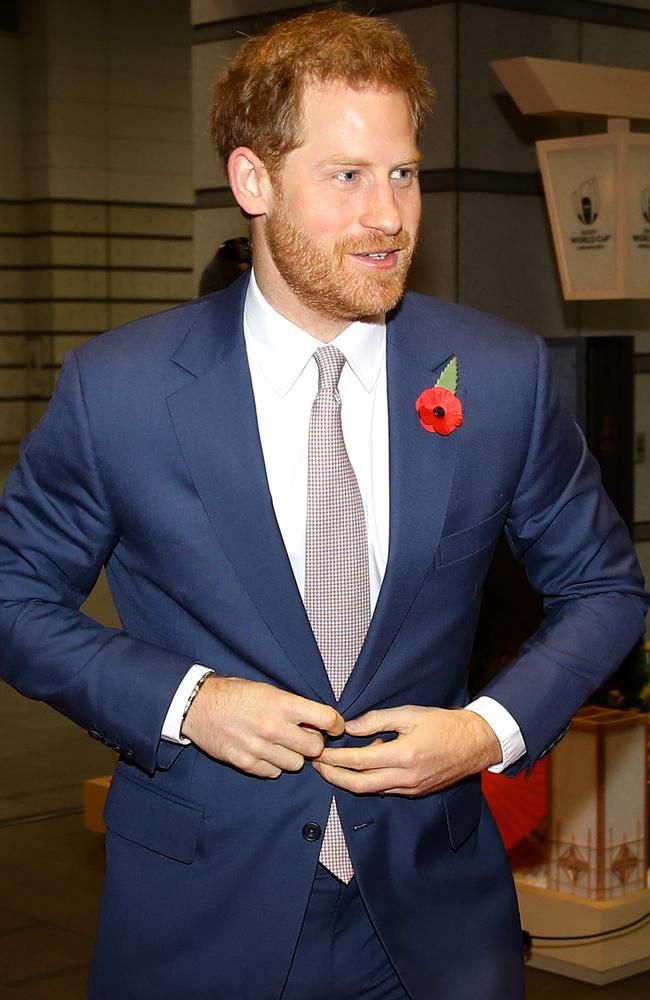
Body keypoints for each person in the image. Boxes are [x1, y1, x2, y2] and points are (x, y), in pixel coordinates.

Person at [0, 10, 646, 1000]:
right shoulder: (119, 389)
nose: (385, 215)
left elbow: (603, 586)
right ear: (253, 180)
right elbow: (15, 598)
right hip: (201, 917)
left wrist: (484, 730)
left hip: (434, 923)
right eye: (345, 176)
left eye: (403, 172)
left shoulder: (496, 375)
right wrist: (187, 702)